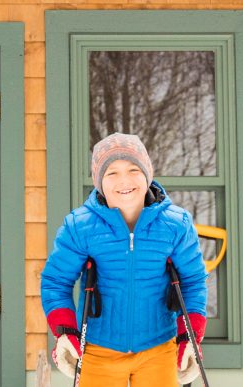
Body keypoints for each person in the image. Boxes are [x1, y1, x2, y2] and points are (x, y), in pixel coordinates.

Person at [41, 132, 208, 386]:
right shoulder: (79, 226)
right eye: (112, 173)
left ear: (147, 174)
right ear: (99, 182)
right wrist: (65, 331)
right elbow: (56, 282)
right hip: (98, 349)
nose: (124, 181)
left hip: (158, 347)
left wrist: (190, 338)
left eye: (133, 169)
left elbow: (193, 282)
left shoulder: (176, 224)